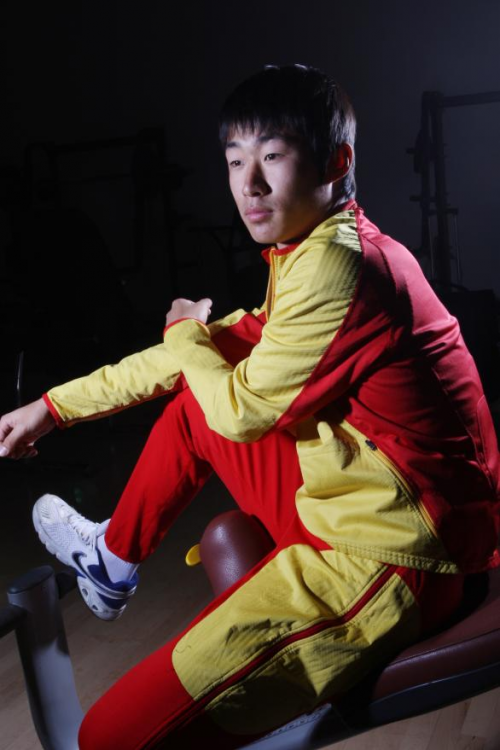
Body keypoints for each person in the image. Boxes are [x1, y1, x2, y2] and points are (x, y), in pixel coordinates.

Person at [1, 64, 499, 749]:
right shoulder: (313, 250)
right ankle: (113, 560)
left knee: (107, 738)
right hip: (373, 503)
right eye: (236, 161)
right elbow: (202, 361)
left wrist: (184, 332)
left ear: (337, 162)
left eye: (273, 156)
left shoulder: (339, 267)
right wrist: (53, 407)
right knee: (196, 399)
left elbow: (236, 409)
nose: (249, 184)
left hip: (395, 557)